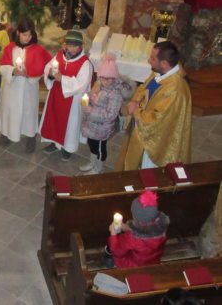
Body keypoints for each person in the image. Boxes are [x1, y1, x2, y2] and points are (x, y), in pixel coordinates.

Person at [116, 41, 192, 171]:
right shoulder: (160, 72)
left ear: (164, 64)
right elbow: (144, 87)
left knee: (146, 172)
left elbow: (157, 121)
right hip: (140, 126)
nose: (148, 60)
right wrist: (135, 100)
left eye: (152, 58)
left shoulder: (175, 90)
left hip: (154, 139)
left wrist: (136, 111)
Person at [0, 18, 52, 153]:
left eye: (30, 34)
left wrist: (29, 74)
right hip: (12, 88)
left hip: (29, 88)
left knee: (29, 112)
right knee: (9, 110)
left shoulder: (38, 50)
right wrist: (13, 71)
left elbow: (46, 66)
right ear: (18, 33)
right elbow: (2, 65)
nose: (28, 38)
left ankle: (30, 136)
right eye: (24, 34)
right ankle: (6, 133)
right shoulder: (10, 47)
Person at [39, 29, 92, 161]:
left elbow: (82, 84)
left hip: (72, 101)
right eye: (70, 45)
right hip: (55, 96)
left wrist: (62, 78)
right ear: (65, 45)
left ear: (81, 46)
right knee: (54, 119)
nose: (72, 49)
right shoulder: (59, 55)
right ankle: (54, 143)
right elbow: (47, 68)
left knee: (70, 125)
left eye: (75, 46)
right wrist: (50, 74)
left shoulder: (85, 63)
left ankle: (68, 148)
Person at [80, 55, 134, 174]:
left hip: (101, 128)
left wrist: (91, 111)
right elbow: (95, 98)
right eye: (101, 78)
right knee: (92, 144)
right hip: (91, 124)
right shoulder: (100, 85)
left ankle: (98, 168)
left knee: (100, 148)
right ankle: (92, 163)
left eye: (107, 79)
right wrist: (88, 97)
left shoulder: (115, 93)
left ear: (113, 78)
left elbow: (110, 115)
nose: (104, 81)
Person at [106, 190, 169, 268]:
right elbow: (145, 230)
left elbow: (117, 251)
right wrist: (127, 227)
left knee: (117, 255)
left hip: (135, 265)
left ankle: (110, 259)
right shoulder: (162, 227)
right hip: (153, 260)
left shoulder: (132, 238)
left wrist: (113, 234)